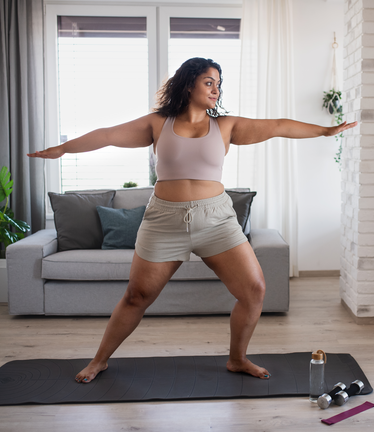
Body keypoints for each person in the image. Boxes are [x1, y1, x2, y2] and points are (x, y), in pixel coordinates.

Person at [28, 57, 357, 383]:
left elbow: (278, 126)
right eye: (208, 82)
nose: (215, 89)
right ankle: (99, 360)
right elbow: (108, 135)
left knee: (254, 289)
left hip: (216, 220)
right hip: (163, 222)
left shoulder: (225, 125)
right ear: (188, 84)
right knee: (136, 296)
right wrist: (63, 149)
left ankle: (237, 358)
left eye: (218, 84)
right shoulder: (159, 123)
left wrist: (326, 131)